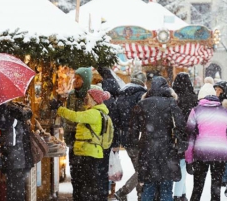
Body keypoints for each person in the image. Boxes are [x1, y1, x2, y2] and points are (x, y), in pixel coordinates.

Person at [130, 77, 186, 201]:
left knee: (149, 186)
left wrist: (135, 144)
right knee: (166, 187)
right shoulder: (171, 103)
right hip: (167, 149)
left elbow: (133, 128)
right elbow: (181, 126)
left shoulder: (142, 104)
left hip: (147, 149)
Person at [52, 87, 111, 201]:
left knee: (86, 186)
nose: (85, 99)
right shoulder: (94, 112)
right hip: (88, 153)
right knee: (86, 185)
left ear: (94, 99)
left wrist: (60, 109)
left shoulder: (94, 113)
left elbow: (75, 116)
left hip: (89, 154)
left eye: (87, 97)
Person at [185, 88, 227, 201]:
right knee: (216, 186)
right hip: (220, 153)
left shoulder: (196, 111)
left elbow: (190, 136)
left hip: (201, 152)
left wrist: (188, 158)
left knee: (197, 186)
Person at [106, 72, 149, 201]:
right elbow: (143, 117)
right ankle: (124, 191)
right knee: (143, 170)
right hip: (138, 137)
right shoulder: (141, 95)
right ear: (143, 83)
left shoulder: (121, 95)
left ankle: (140, 195)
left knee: (140, 169)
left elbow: (116, 119)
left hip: (126, 138)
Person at [0, 101, 35, 201]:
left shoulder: (10, 117)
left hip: (15, 160)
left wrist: (3, 149)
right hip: (22, 159)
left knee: (14, 190)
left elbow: (11, 141)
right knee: (18, 190)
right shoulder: (20, 115)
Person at [171, 73, 198, 201]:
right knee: (184, 162)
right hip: (190, 133)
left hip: (175, 133)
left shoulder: (173, 98)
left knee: (179, 163)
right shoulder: (193, 97)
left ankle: (180, 193)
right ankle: (180, 194)